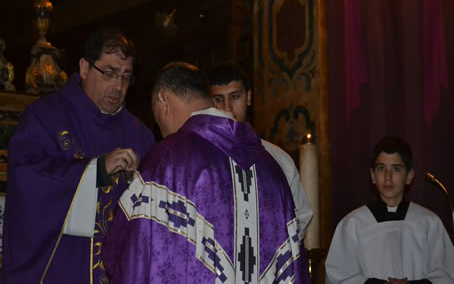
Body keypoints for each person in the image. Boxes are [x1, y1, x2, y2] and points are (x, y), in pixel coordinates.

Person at [102, 62, 311, 283]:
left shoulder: (166, 160)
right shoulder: (271, 166)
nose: (162, 131)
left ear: (163, 100)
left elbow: (125, 252)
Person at [1, 27, 155, 283]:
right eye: (109, 73)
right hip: (64, 270)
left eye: (126, 77)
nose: (118, 86)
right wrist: (96, 171)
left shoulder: (141, 136)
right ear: (84, 68)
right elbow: (26, 181)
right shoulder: (44, 117)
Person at [325, 136, 454, 284]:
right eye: (381, 168)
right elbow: (338, 276)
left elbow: (447, 274)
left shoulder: (429, 223)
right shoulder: (352, 224)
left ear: (409, 176)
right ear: (373, 176)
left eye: (396, 169)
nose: (388, 177)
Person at [208, 62, 313, 238]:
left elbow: (300, 216)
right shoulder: (201, 157)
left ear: (248, 97)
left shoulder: (277, 157)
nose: (227, 108)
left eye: (235, 96)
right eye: (218, 99)